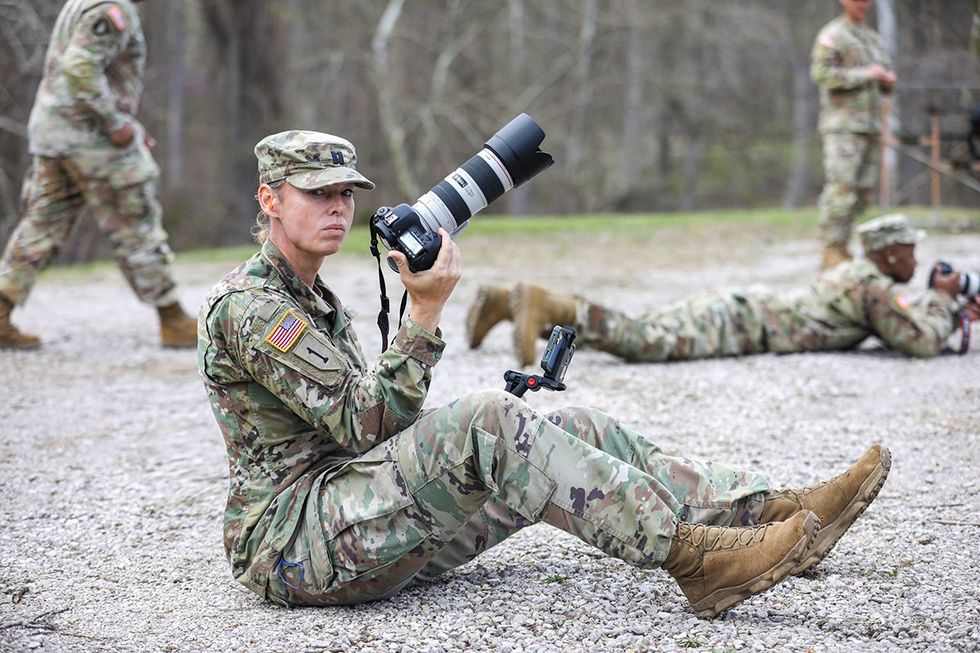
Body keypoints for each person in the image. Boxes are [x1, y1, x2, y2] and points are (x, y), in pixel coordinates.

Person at [198, 130, 892, 619]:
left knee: (570, 426)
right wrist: (425, 313)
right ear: (270, 201)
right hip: (295, 543)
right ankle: (697, 561)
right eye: (317, 193)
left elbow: (375, 430)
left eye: (346, 193)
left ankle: (770, 513)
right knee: (489, 422)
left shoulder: (310, 296)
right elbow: (366, 423)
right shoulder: (253, 308)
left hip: (354, 517)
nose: (337, 208)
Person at [468, 215, 979, 367]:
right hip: (742, 322)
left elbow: (898, 322)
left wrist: (945, 304)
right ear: (889, 254)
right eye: (910, 251)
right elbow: (914, 340)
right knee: (643, 343)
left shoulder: (861, 274)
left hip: (740, 308)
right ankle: (547, 305)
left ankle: (506, 304)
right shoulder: (871, 285)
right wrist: (944, 299)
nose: (916, 260)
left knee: (641, 331)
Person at [0, 0, 197, 350]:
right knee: (135, 220)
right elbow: (80, 66)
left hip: (57, 136)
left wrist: (126, 124)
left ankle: (0, 311)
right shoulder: (111, 9)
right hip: (91, 139)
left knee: (42, 226)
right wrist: (114, 122)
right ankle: (172, 318)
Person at [811, 0, 896, 269]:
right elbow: (821, 74)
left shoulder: (872, 39)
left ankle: (846, 247)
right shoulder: (833, 35)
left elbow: (884, 80)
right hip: (843, 126)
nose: (861, 4)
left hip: (870, 125)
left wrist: (886, 81)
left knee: (863, 190)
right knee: (842, 188)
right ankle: (833, 249)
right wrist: (864, 74)